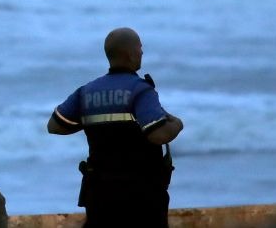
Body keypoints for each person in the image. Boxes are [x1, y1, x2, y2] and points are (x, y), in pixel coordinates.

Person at [46, 27, 184, 227]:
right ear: (129, 54)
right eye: (139, 48)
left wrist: (91, 120)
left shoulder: (86, 91)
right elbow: (159, 135)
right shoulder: (140, 90)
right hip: (142, 196)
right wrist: (177, 124)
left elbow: (55, 126)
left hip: (99, 195)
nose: (142, 52)